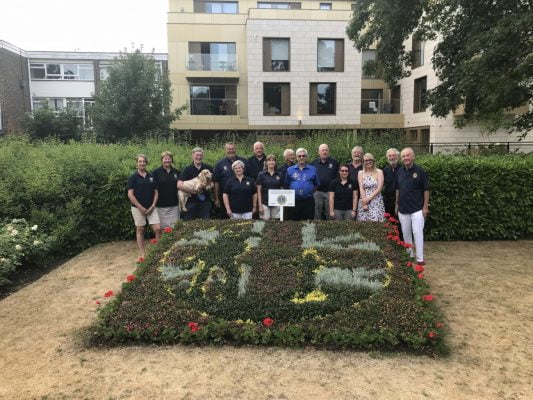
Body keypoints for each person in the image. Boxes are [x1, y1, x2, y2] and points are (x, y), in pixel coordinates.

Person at [395, 147, 429, 265]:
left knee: (417, 232)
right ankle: (409, 255)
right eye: (403, 156)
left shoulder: (420, 171)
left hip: (417, 209)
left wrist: (425, 207)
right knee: (406, 233)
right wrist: (396, 204)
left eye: (408, 155)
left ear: (413, 157)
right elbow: (398, 189)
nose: (406, 158)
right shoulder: (399, 171)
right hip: (403, 209)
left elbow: (426, 190)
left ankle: (420, 258)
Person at [127, 154, 161, 260]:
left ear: (146, 163)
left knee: (158, 229)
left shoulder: (151, 176)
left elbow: (156, 192)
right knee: (140, 230)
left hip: (152, 208)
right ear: (136, 163)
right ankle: (142, 253)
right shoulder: (132, 177)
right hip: (137, 208)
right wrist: (140, 208)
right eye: (140, 161)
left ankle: (158, 252)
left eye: (144, 161)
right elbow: (130, 194)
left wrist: (153, 205)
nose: (142, 163)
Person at [178, 147, 214, 220]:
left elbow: (212, 183)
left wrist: (208, 187)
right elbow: (179, 184)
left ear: (203, 156)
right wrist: (192, 191)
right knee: (189, 224)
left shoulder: (208, 168)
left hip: (205, 201)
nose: (199, 157)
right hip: (190, 201)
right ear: (192, 156)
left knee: (205, 224)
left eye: (200, 155)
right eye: (197, 155)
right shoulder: (187, 169)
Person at [214, 142, 249, 217]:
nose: (231, 150)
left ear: (235, 149)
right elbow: (216, 182)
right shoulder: (219, 164)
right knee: (225, 221)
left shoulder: (244, 161)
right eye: (229, 149)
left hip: (242, 197)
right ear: (225, 150)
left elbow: (250, 179)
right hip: (225, 198)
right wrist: (216, 199)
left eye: (232, 148)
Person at [285, 148, 320, 221]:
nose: (301, 157)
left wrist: (308, 191)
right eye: (299, 156)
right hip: (294, 201)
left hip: (308, 201)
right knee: (293, 223)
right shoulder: (290, 170)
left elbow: (316, 184)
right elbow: (287, 184)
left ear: (306, 157)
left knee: (308, 223)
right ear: (296, 158)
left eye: (303, 156)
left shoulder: (313, 169)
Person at [151, 151, 180, 229]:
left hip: (174, 205)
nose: (167, 160)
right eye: (165, 158)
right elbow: (153, 189)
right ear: (162, 160)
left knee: (175, 228)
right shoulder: (155, 172)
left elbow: (181, 186)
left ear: (172, 160)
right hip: (161, 206)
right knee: (162, 229)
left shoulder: (176, 172)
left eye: (169, 158)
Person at [311, 144, 339, 220]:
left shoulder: (334, 163)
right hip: (317, 193)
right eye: (322, 150)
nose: (324, 152)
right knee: (317, 215)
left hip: (330, 193)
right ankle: (316, 230)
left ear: (328, 151)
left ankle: (329, 230)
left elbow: (338, 178)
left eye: (326, 150)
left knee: (330, 215)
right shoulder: (313, 163)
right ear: (318, 152)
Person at [357, 153, 385, 222]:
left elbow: (379, 188)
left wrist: (368, 199)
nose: (368, 162)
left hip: (376, 201)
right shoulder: (360, 173)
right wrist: (364, 201)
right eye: (366, 160)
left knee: (375, 223)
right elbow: (361, 187)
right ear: (363, 162)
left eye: (370, 160)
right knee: (363, 223)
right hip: (363, 200)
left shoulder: (379, 172)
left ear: (373, 161)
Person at [256, 155, 282, 220]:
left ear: (275, 162)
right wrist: (260, 205)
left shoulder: (280, 174)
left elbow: (282, 189)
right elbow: (258, 190)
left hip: (276, 203)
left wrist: (281, 204)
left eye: (273, 160)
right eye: (269, 160)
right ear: (266, 162)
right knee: (265, 224)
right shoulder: (261, 174)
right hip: (264, 203)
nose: (271, 162)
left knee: (276, 224)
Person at [383, 148, 401, 216]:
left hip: (399, 201)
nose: (392, 157)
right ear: (387, 158)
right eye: (390, 156)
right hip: (387, 201)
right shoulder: (385, 170)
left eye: (394, 155)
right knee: (388, 222)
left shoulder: (403, 170)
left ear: (398, 157)